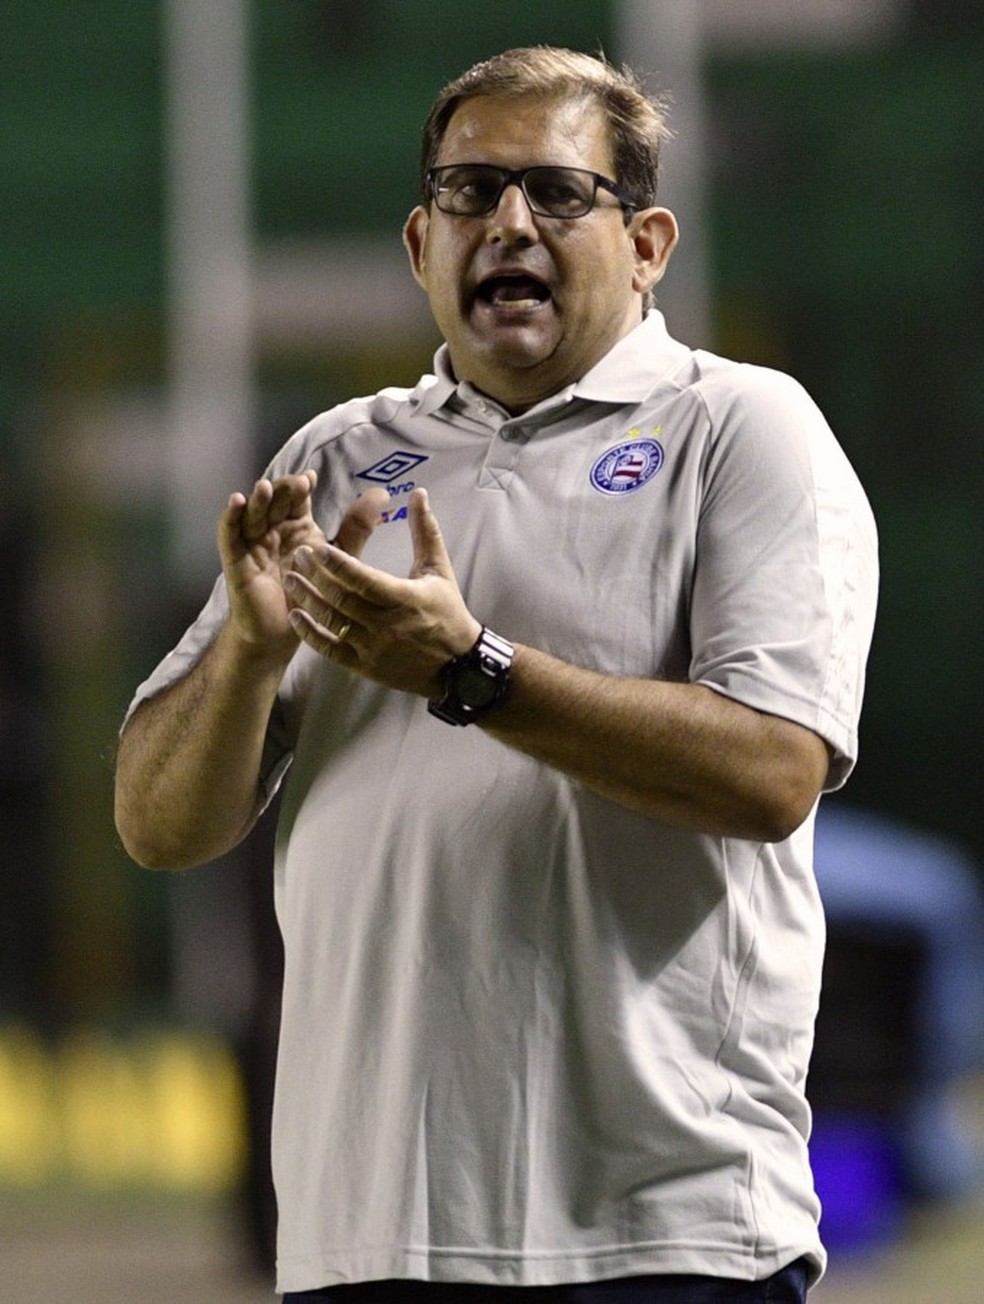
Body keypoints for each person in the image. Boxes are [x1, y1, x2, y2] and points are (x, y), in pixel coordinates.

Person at [115, 47, 878, 1303]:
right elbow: (157, 823)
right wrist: (250, 651)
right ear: (423, 243)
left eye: (557, 193)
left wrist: (473, 670)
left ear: (648, 244)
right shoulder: (340, 455)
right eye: (471, 192)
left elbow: (773, 769)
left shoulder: (740, 430)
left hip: (660, 1232)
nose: (509, 221)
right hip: (367, 1231)